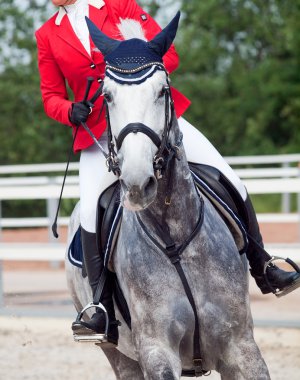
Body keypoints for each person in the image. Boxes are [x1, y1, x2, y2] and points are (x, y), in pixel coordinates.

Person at [36, 0, 300, 346]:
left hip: (154, 122)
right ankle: (99, 305)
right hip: (100, 132)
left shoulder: (120, 6)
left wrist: (134, 71)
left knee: (228, 175)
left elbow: (169, 54)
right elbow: (50, 96)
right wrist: (71, 111)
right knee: (88, 210)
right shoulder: (47, 34)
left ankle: (263, 265)